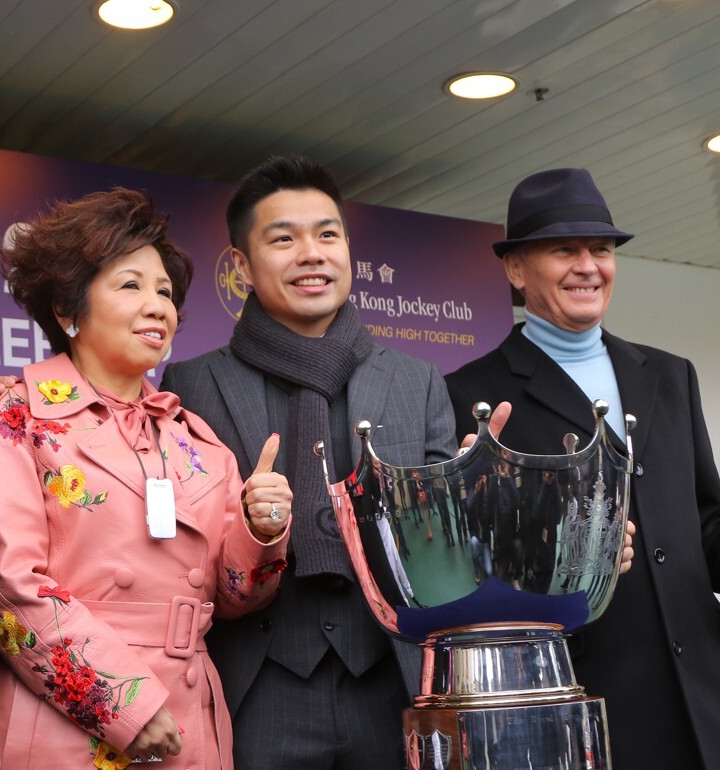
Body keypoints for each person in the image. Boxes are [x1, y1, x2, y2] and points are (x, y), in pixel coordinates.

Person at [0, 188, 291, 769]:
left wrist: (260, 528)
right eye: (130, 286)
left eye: (165, 292)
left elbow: (239, 596)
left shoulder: (196, 438)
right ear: (68, 311)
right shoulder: (18, 417)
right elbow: (7, 589)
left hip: (189, 717)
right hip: (68, 725)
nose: (158, 306)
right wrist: (124, 707)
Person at [159, 154, 457, 770]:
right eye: (283, 238)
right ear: (241, 264)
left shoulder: (416, 381)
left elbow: (443, 549)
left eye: (327, 234)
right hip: (253, 683)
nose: (312, 253)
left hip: (390, 682)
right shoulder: (192, 382)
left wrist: (476, 497)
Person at [446, 167, 720, 769]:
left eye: (601, 249)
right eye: (564, 250)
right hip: (577, 702)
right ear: (516, 270)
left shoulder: (671, 376)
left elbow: (705, 524)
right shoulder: (470, 395)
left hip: (701, 695)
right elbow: (465, 564)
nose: (589, 265)